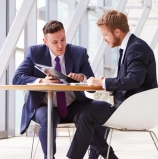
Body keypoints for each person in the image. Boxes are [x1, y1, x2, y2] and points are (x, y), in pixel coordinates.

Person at [12, 20, 112, 159]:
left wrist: (82, 78)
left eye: (63, 39)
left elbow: (92, 84)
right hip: (45, 106)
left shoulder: (79, 53)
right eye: (55, 42)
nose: (60, 45)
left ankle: (94, 153)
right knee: (49, 118)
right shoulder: (35, 52)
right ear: (45, 42)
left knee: (105, 108)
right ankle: (49, 157)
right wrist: (42, 81)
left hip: (73, 106)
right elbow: (17, 78)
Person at [66, 10, 158, 159]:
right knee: (80, 117)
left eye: (105, 35)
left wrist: (103, 82)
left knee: (86, 117)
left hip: (137, 110)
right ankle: (109, 157)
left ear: (117, 31)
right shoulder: (129, 47)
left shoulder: (136, 48)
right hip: (130, 107)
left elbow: (134, 80)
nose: (103, 39)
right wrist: (104, 84)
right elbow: (129, 80)